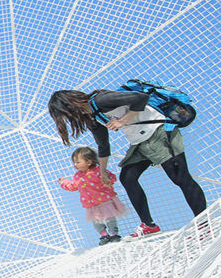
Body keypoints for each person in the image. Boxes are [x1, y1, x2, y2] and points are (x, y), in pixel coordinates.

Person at [49, 88, 207, 239]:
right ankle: (149, 225)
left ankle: (203, 224)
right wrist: (102, 171)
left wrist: (122, 121)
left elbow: (141, 98)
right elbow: (103, 146)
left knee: (180, 177)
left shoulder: (102, 99)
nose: (67, 119)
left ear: (70, 105)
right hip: (139, 142)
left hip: (158, 131)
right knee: (128, 177)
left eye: (64, 115)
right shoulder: (92, 117)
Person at [58, 147, 128, 246]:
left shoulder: (98, 170)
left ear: (89, 162)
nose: (75, 165)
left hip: (105, 200)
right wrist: (63, 182)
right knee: (96, 221)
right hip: (91, 204)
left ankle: (113, 234)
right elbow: (72, 186)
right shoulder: (77, 176)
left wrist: (109, 180)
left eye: (78, 162)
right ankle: (104, 235)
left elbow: (111, 177)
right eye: (74, 162)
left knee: (109, 217)